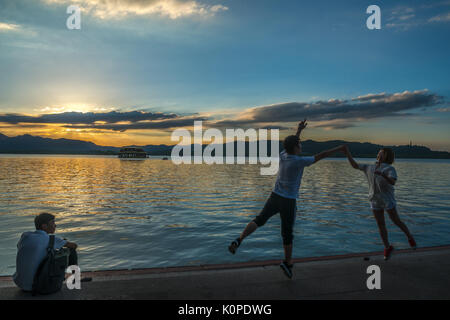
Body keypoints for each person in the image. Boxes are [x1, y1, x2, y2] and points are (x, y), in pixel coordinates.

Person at [228, 119, 347, 278]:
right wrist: (339, 148)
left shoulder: (283, 155)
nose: (301, 146)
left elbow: (291, 143)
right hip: (288, 201)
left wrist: (299, 131)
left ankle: (239, 239)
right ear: (296, 147)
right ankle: (287, 262)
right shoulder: (299, 161)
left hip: (274, 196)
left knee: (259, 219)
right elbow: (322, 155)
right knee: (287, 233)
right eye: (300, 144)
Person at [343, 146, 416, 260]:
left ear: (387, 156)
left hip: (387, 199)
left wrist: (383, 174)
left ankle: (409, 237)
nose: (379, 154)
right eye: (379, 153)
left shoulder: (390, 169)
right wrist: (347, 152)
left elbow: (393, 182)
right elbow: (355, 165)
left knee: (395, 220)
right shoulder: (369, 167)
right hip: (374, 199)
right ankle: (387, 247)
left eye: (382, 153)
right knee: (380, 224)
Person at [13, 213, 78, 292]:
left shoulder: (25, 236)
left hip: (21, 284)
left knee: (47, 251)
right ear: (44, 226)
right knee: (71, 250)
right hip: (42, 286)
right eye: (53, 223)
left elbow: (21, 247)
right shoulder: (51, 239)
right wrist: (63, 242)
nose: (55, 225)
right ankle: (75, 280)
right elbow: (74, 246)